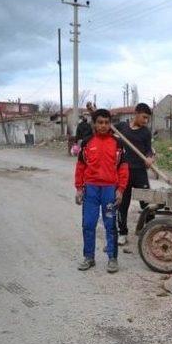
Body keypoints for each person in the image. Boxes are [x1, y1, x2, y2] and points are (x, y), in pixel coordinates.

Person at [74, 108, 129, 273]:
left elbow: (123, 168)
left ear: (110, 124)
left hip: (109, 191)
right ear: (94, 124)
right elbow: (80, 167)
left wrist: (120, 190)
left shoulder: (118, 143)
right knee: (88, 224)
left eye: (106, 122)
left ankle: (112, 259)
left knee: (110, 225)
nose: (103, 126)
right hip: (90, 189)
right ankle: (89, 257)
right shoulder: (87, 143)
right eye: (100, 122)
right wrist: (79, 188)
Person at [115, 103, 154, 245]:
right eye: (144, 117)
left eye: (147, 118)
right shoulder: (121, 127)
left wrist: (150, 157)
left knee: (147, 204)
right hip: (123, 172)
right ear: (136, 113)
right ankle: (122, 233)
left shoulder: (145, 132)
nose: (145, 121)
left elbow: (149, 150)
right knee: (122, 204)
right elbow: (106, 130)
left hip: (140, 172)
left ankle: (151, 232)